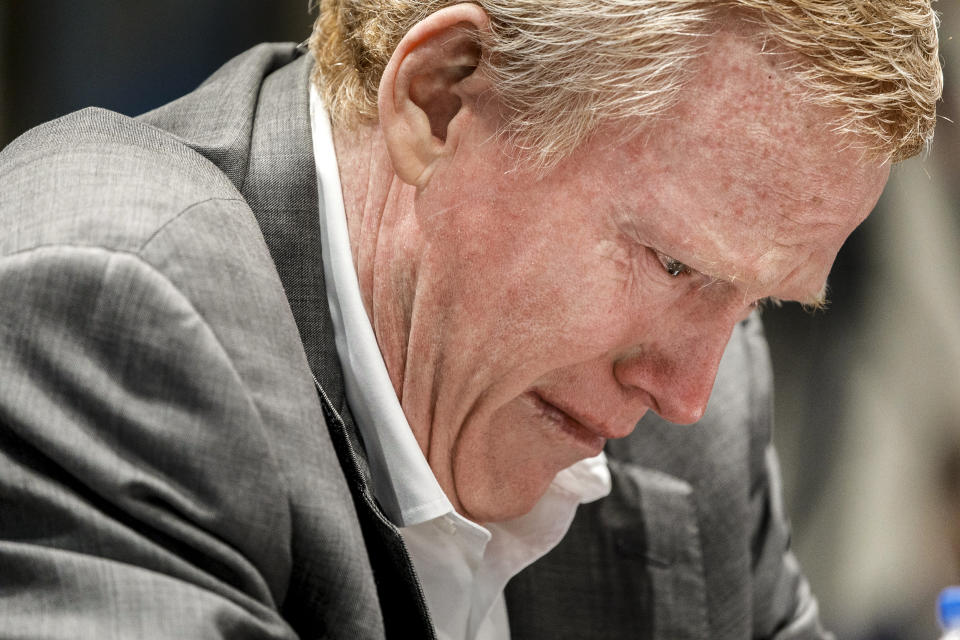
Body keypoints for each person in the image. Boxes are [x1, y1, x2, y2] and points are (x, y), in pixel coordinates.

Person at [0, 1, 941, 638]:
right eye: (673, 263)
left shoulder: (702, 417)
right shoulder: (104, 299)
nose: (688, 391)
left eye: (758, 301)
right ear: (441, 97)